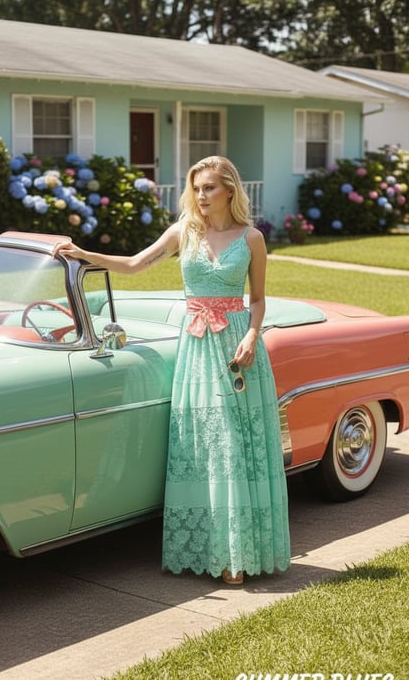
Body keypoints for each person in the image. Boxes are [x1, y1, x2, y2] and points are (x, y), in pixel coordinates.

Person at [53, 155, 290, 585]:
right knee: (203, 443)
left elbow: (257, 299)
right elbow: (135, 263)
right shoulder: (183, 232)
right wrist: (84, 254)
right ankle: (209, 549)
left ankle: (237, 555)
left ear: (230, 191)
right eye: (196, 188)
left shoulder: (252, 238)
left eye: (210, 188)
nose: (201, 196)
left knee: (236, 445)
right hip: (197, 346)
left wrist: (254, 334)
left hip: (236, 345)